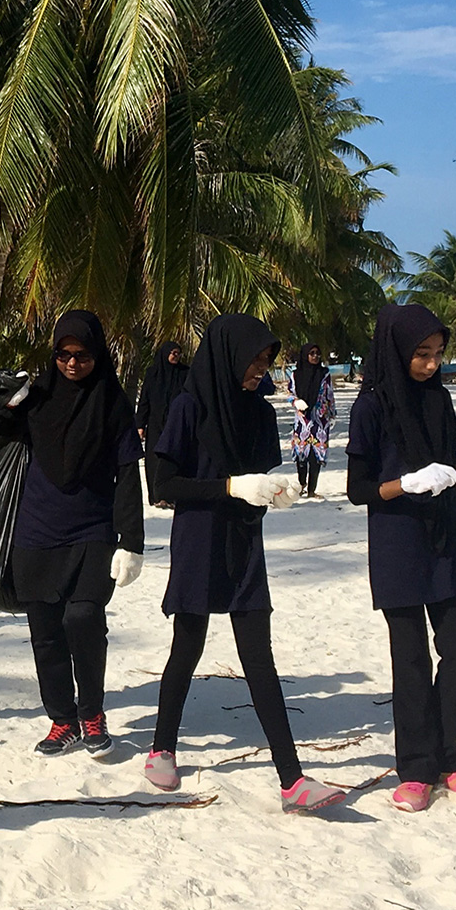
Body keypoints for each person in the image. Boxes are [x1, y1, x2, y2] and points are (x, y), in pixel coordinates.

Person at [143, 314, 344, 814]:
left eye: (265, 363)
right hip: (197, 539)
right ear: (227, 355)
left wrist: (277, 491)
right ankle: (162, 746)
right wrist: (231, 487)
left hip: (243, 540)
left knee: (259, 658)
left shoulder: (255, 411)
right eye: (253, 362)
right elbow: (163, 486)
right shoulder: (187, 408)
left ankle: (292, 780)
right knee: (186, 646)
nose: (260, 371)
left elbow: (263, 472)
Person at [347, 304, 456, 814]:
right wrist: (404, 484)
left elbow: (452, 483)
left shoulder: (440, 402)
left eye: (437, 354)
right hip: (396, 544)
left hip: (443, 542)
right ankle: (416, 768)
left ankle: (447, 758)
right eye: (421, 354)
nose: (431, 364)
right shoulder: (370, 407)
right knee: (410, 660)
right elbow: (357, 490)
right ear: (396, 350)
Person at [5, 311, 144, 757]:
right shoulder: (37, 398)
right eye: (63, 354)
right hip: (37, 528)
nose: (71, 363)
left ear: (97, 354)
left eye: (81, 355)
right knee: (44, 629)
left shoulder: (113, 402)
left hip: (92, 529)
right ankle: (62, 719)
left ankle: (92, 713)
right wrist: (3, 400)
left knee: (82, 619)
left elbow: (128, 473)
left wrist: (131, 541)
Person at [135, 341, 190, 508]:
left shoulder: (184, 373)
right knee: (153, 461)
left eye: (178, 353)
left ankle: (173, 496)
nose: (175, 356)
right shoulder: (153, 373)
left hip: (176, 424)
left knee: (174, 459)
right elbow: (144, 400)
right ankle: (157, 497)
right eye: (173, 353)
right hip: (155, 423)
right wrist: (140, 425)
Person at [287, 343, 336, 498]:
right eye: (312, 353)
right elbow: (290, 393)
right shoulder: (295, 375)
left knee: (316, 456)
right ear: (305, 355)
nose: (315, 356)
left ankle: (312, 490)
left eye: (317, 353)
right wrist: (295, 402)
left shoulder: (324, 374)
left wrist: (332, 414)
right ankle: (301, 484)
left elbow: (329, 394)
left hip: (320, 420)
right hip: (302, 421)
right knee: (301, 455)